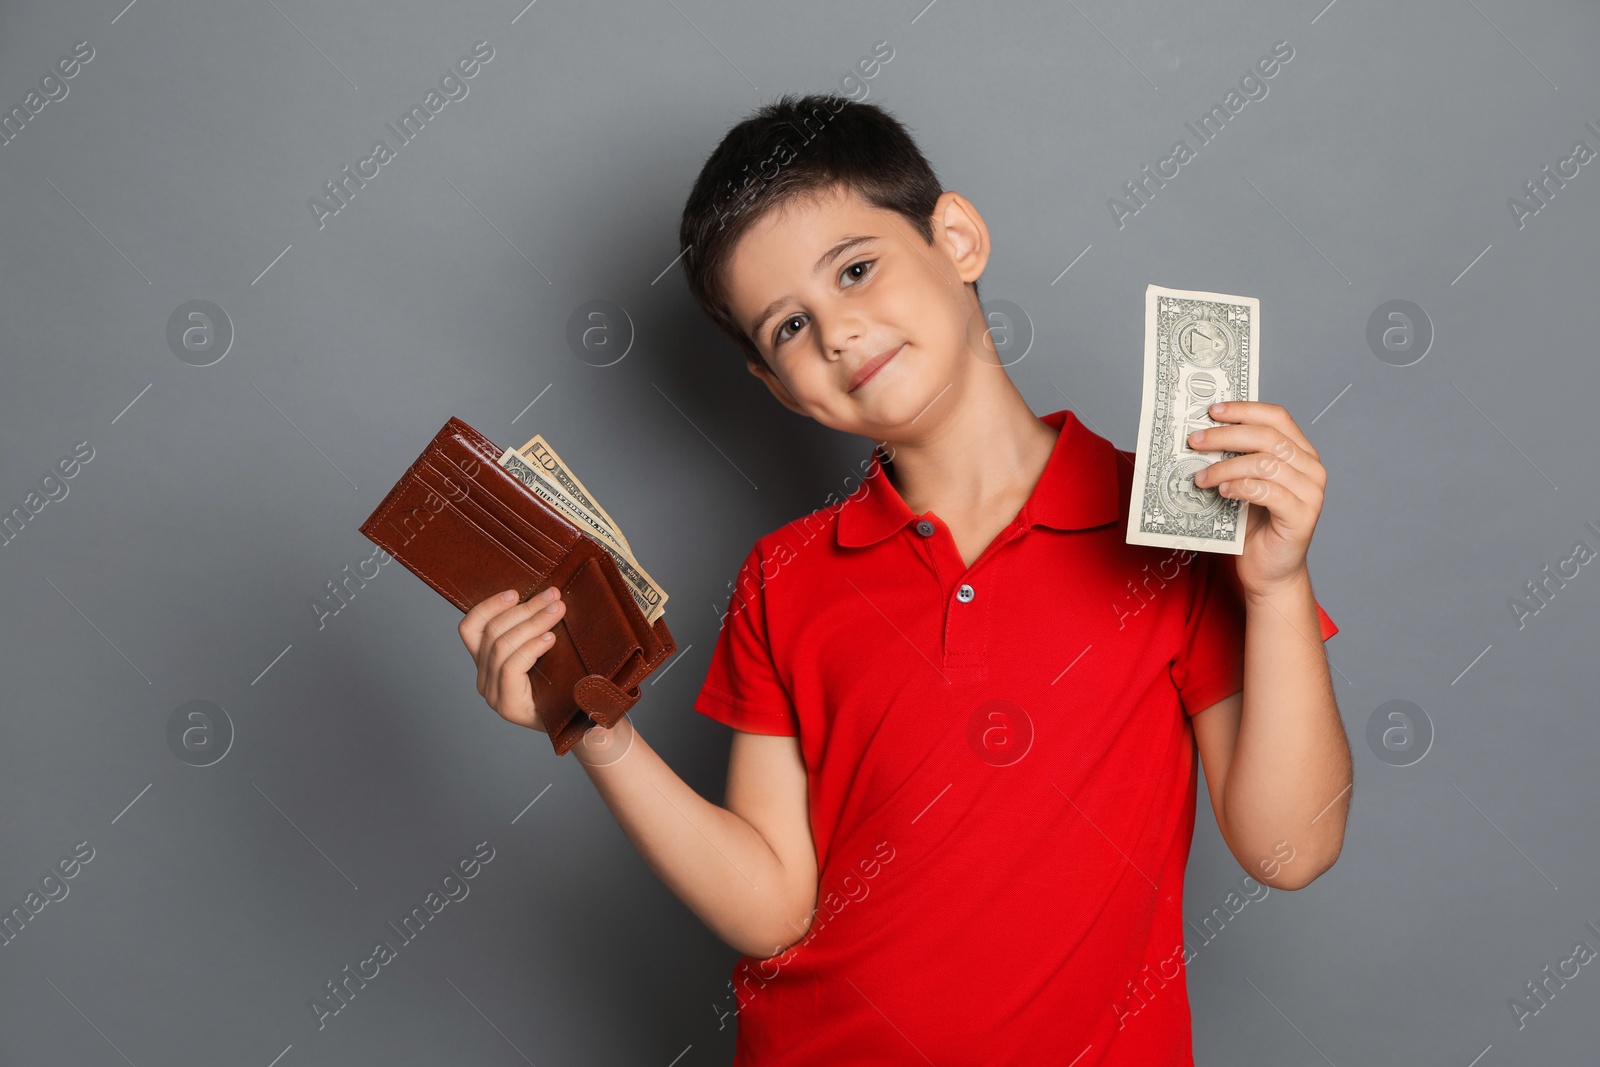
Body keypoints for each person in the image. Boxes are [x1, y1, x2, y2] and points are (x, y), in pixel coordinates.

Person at [458, 92, 1350, 1065]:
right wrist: (595, 726)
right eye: (788, 327)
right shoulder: (782, 577)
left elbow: (1287, 848)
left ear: (956, 238)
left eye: (854, 268)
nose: (837, 332)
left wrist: (1275, 588)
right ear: (771, 384)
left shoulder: (1173, 528)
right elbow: (770, 904)